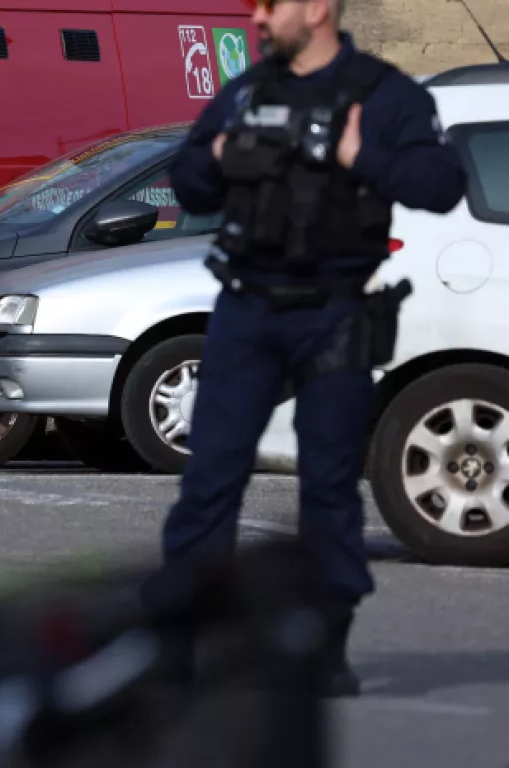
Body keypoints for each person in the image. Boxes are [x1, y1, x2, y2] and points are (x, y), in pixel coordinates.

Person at [159, 0, 465, 698]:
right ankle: (183, 642)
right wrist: (212, 157)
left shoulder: (384, 94)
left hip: (335, 310)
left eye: (272, 6)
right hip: (247, 306)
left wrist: (364, 155)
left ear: (319, 8)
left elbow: (442, 185)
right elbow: (186, 179)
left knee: (328, 486)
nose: (257, 18)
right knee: (210, 478)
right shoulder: (245, 92)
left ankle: (323, 643)